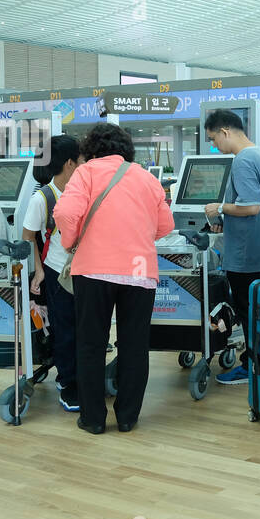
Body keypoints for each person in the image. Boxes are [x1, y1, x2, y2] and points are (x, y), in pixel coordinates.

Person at [53, 123, 173, 434]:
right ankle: (127, 417)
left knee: (91, 344)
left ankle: (92, 419)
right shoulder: (146, 178)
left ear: (90, 150)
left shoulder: (86, 173)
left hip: (93, 269)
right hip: (138, 271)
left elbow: (65, 213)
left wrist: (71, 241)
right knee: (134, 345)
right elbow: (166, 225)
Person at [202, 108, 260, 385]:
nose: (214, 146)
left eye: (213, 139)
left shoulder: (242, 161)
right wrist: (226, 219)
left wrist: (219, 207)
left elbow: (251, 206)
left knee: (249, 314)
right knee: (259, 313)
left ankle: (251, 366)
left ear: (225, 132)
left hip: (247, 254)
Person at [22, 136, 84, 412]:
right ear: (70, 163)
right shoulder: (43, 197)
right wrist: (38, 272)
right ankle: (69, 383)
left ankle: (79, 377)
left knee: (84, 328)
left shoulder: (83, 191)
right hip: (58, 272)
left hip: (86, 270)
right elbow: (28, 237)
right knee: (66, 330)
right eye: (81, 160)